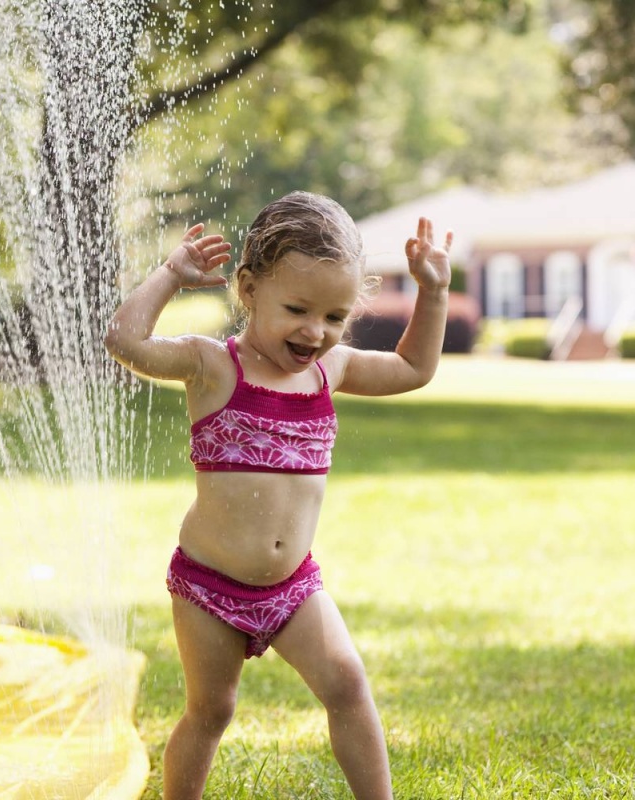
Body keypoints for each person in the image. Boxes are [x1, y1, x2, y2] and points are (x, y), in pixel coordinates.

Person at [104, 191, 452, 799]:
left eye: (335, 317)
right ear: (247, 289)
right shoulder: (212, 366)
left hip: (293, 586)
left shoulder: (331, 370)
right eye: (297, 308)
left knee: (346, 682)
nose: (315, 331)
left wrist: (433, 292)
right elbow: (125, 343)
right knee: (211, 711)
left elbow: (413, 369)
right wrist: (170, 275)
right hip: (210, 587)